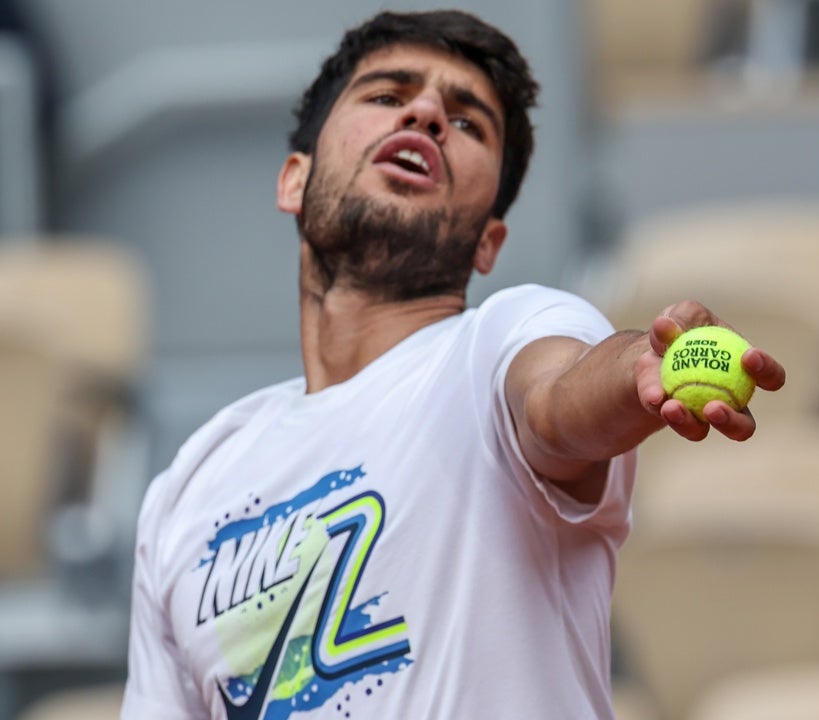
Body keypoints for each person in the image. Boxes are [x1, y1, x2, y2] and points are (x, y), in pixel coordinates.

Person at [120, 9, 785, 720]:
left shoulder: (502, 341)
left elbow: (555, 402)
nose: (428, 112)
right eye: (386, 95)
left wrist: (631, 373)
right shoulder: (192, 482)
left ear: (489, 243)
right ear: (294, 181)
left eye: (469, 122)